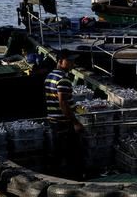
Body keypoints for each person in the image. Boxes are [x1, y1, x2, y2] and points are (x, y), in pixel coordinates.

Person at [44, 49, 85, 180]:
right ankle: (73, 179)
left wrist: (77, 108)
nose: (73, 64)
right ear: (60, 61)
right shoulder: (64, 80)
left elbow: (58, 100)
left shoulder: (50, 76)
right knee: (72, 153)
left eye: (73, 61)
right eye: (70, 61)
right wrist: (75, 123)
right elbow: (62, 103)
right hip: (63, 124)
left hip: (53, 121)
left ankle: (55, 177)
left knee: (57, 152)